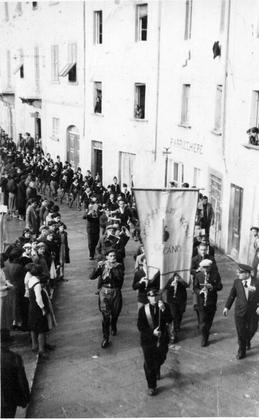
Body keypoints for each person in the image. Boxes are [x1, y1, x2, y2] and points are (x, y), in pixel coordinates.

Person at [137, 288, 172, 396]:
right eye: (151, 296)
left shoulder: (165, 306)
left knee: (161, 358)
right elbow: (140, 326)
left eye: (156, 296)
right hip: (148, 341)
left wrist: (163, 310)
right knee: (149, 363)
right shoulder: (143, 310)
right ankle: (151, 386)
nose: (154, 298)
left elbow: (170, 319)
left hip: (162, 339)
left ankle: (157, 368)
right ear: (148, 297)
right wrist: (152, 332)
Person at [223, 263, 259, 359]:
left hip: (253, 312)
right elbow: (232, 295)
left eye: (240, 273)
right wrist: (227, 307)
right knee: (241, 332)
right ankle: (241, 351)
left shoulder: (257, 282)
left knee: (253, 329)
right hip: (240, 312)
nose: (238, 274)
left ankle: (247, 340)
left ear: (247, 274)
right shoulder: (237, 282)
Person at [90, 249, 124, 348]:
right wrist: (97, 267)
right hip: (104, 291)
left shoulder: (119, 266)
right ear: (107, 257)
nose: (113, 257)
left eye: (114, 256)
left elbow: (119, 278)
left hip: (115, 291)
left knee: (116, 312)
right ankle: (106, 337)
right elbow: (92, 277)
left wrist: (111, 269)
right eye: (111, 256)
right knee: (105, 315)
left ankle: (113, 325)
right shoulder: (103, 266)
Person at [1, 329, 30, 418]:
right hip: (9, 399)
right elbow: (22, 380)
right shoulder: (15, 358)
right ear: (9, 343)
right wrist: (26, 398)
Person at [193, 259, 223, 347]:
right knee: (202, 322)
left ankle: (206, 334)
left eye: (207, 268)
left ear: (210, 267)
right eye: (203, 268)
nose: (205, 270)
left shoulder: (215, 275)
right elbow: (195, 288)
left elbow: (220, 286)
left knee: (209, 321)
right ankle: (204, 337)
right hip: (201, 302)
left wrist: (212, 287)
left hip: (211, 302)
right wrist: (200, 291)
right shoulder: (198, 275)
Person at [165, 272, 188, 343]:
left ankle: (177, 325)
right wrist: (171, 285)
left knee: (180, 313)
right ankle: (173, 332)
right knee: (174, 315)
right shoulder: (170, 279)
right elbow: (165, 287)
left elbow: (187, 285)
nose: (177, 276)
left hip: (181, 300)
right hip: (172, 300)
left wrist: (180, 280)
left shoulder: (183, 278)